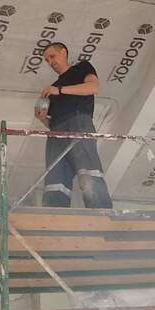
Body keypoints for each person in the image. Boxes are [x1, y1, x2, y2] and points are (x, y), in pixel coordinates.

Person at [35, 42, 113, 208]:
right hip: (56, 132)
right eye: (47, 60)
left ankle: (101, 214)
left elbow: (93, 87)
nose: (50, 62)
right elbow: (54, 122)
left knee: (88, 172)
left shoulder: (81, 68)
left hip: (79, 123)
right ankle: (54, 217)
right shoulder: (52, 89)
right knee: (55, 178)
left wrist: (60, 90)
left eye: (52, 56)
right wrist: (42, 118)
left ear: (63, 52)